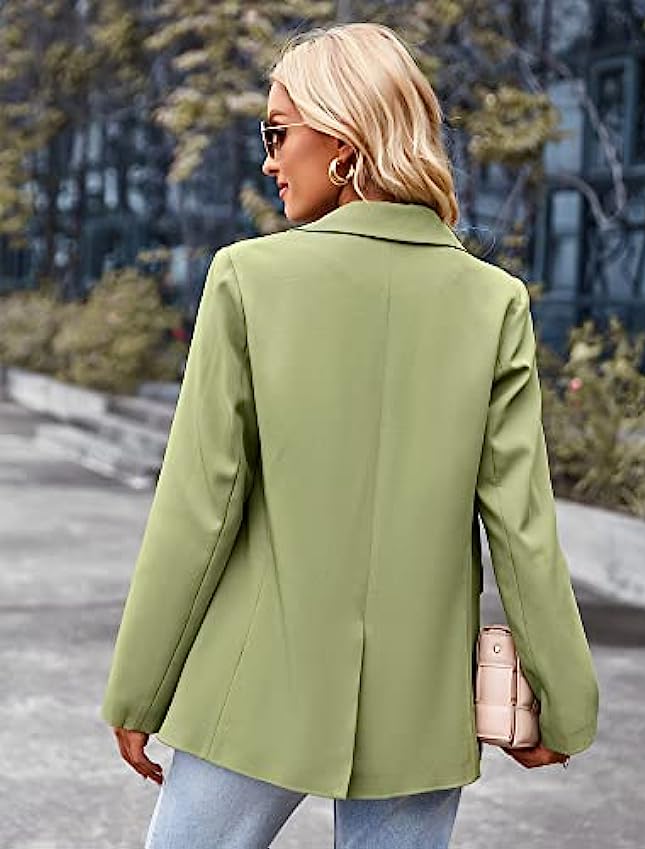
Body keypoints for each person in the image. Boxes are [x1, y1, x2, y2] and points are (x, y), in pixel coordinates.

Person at [100, 21, 599, 849]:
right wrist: (564, 699)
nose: (268, 160)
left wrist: (139, 686)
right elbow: (522, 529)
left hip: (256, 689)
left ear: (342, 138)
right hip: (419, 706)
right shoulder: (493, 302)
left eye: (276, 132)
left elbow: (199, 508)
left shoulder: (248, 278)